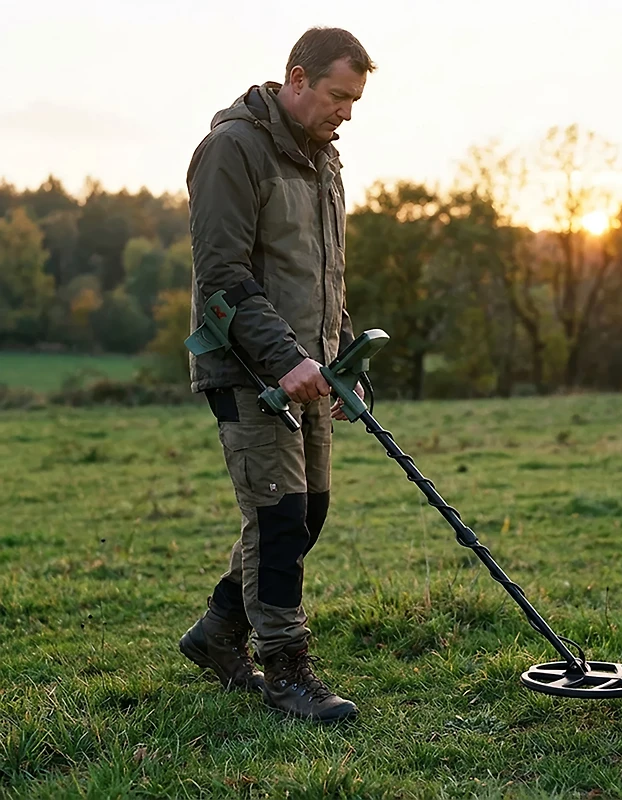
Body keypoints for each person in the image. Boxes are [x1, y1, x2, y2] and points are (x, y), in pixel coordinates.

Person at [179, 27, 375, 722]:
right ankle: (287, 670)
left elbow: (324, 275)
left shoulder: (324, 160)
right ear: (297, 79)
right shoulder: (231, 150)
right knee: (278, 517)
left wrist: (342, 358)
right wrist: (286, 358)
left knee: (307, 512)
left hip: (310, 368)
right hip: (249, 369)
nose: (346, 113)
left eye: (354, 101)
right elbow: (221, 276)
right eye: (338, 96)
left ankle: (216, 632)